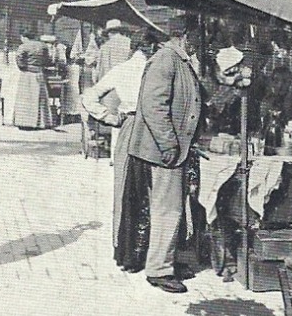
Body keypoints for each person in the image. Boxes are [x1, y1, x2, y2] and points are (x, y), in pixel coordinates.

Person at [126, 15, 202, 294]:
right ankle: (158, 270)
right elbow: (153, 106)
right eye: (197, 35)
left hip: (171, 149)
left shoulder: (179, 60)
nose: (200, 42)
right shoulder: (166, 60)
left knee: (171, 209)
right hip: (163, 151)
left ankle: (165, 262)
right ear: (184, 35)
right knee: (167, 210)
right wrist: (169, 143)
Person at [81, 28, 164, 268]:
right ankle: (151, 251)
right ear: (150, 48)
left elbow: (88, 98)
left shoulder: (120, 70)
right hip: (155, 130)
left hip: (128, 127)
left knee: (126, 190)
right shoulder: (155, 71)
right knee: (154, 192)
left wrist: (109, 117)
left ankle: (127, 251)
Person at [12, 29, 52, 130]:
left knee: (25, 97)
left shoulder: (24, 46)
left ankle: (25, 122)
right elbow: (48, 59)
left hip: (27, 74)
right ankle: (41, 122)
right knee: (39, 97)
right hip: (39, 73)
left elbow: (18, 58)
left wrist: (23, 67)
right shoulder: (43, 46)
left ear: (25, 37)